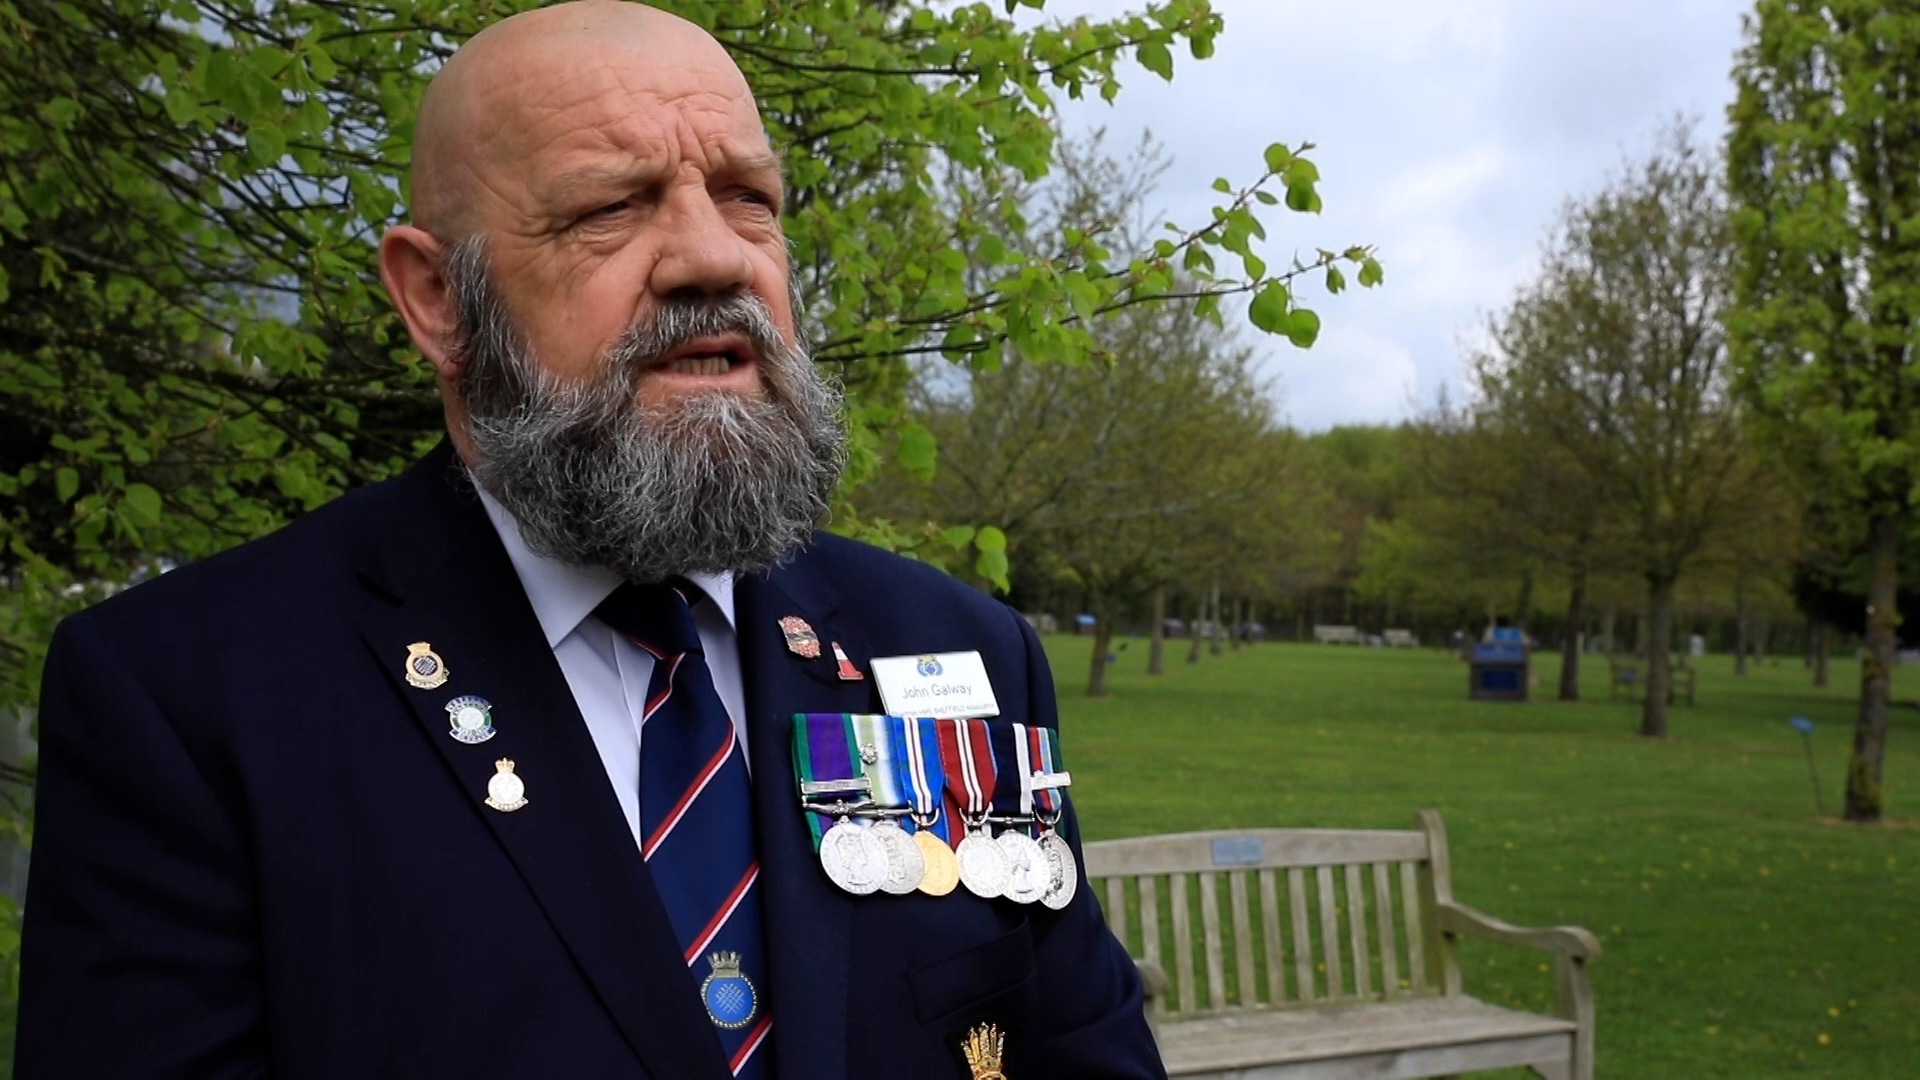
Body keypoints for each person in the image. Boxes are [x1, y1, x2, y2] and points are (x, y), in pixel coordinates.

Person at [13, 3, 1161, 1077]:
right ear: (435, 301)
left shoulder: (959, 651)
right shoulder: (189, 700)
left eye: (748, 197)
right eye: (610, 207)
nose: (716, 258)